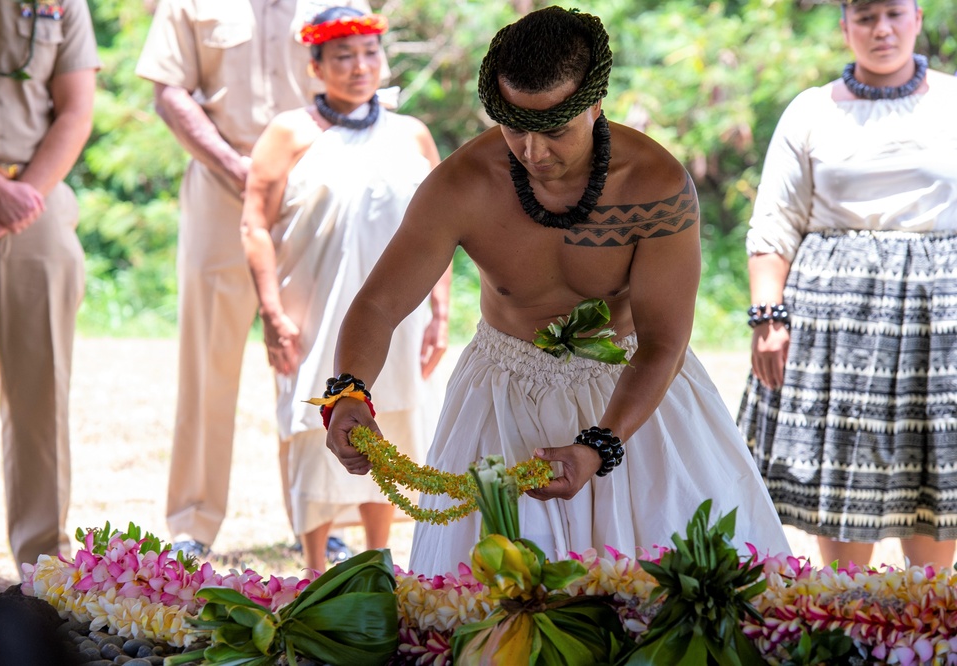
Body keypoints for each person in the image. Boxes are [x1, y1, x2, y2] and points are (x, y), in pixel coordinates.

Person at [323, 6, 791, 576]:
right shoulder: (464, 183)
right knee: (500, 609)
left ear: (595, 104)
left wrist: (600, 445)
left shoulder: (657, 187)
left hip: (635, 397)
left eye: (553, 131)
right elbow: (379, 303)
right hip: (501, 395)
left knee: (662, 602)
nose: (533, 151)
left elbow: (663, 341)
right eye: (514, 127)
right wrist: (348, 392)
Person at [135, 0, 382, 562]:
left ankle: (321, 517)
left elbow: (364, 79)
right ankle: (192, 522)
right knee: (207, 362)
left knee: (316, 354)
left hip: (317, 191)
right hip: (222, 188)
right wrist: (236, 166)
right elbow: (170, 93)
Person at [738, 0, 957, 569]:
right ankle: (843, 634)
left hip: (940, 327)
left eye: (893, 14)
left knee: (934, 487)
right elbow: (774, 224)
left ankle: (926, 644)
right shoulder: (810, 112)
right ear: (844, 27)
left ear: (916, 18)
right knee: (842, 497)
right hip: (836, 332)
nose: (880, 29)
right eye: (864, 17)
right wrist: (768, 319)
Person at [240, 7, 449, 573]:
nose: (360, 67)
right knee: (312, 419)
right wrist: (271, 311)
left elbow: (439, 227)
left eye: (369, 54)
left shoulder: (411, 133)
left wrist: (440, 308)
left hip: (397, 313)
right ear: (315, 65)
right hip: (313, 307)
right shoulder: (289, 132)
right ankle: (313, 567)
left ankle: (379, 557)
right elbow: (255, 223)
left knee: (395, 411)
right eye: (343, 56)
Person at [0, 0, 98, 570]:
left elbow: (75, 111)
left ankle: (44, 570)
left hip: (35, 203)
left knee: (43, 396)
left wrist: (18, 199)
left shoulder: (64, 4)